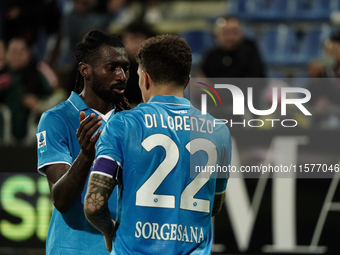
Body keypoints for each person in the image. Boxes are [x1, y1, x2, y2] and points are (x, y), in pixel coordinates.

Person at [84, 34, 232, 254]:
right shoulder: (219, 131)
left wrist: (109, 231)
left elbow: (94, 205)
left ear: (145, 78)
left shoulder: (122, 124)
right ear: (188, 81)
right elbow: (214, 204)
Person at [36, 29, 130, 255]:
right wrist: (86, 156)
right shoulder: (56, 119)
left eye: (125, 68)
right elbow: (61, 200)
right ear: (85, 70)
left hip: (123, 248)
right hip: (73, 249)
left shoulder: (130, 121)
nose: (122, 76)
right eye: (112, 68)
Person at [0, 37, 53, 142]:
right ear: (7, 54)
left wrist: (38, 102)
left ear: (28, 54)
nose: (17, 56)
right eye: (14, 51)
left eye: (21, 51)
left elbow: (51, 96)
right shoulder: (3, 74)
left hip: (32, 131)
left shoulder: (37, 74)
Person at [120, 21, 156, 107]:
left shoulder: (157, 67)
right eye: (127, 40)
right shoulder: (120, 68)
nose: (130, 45)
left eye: (135, 40)